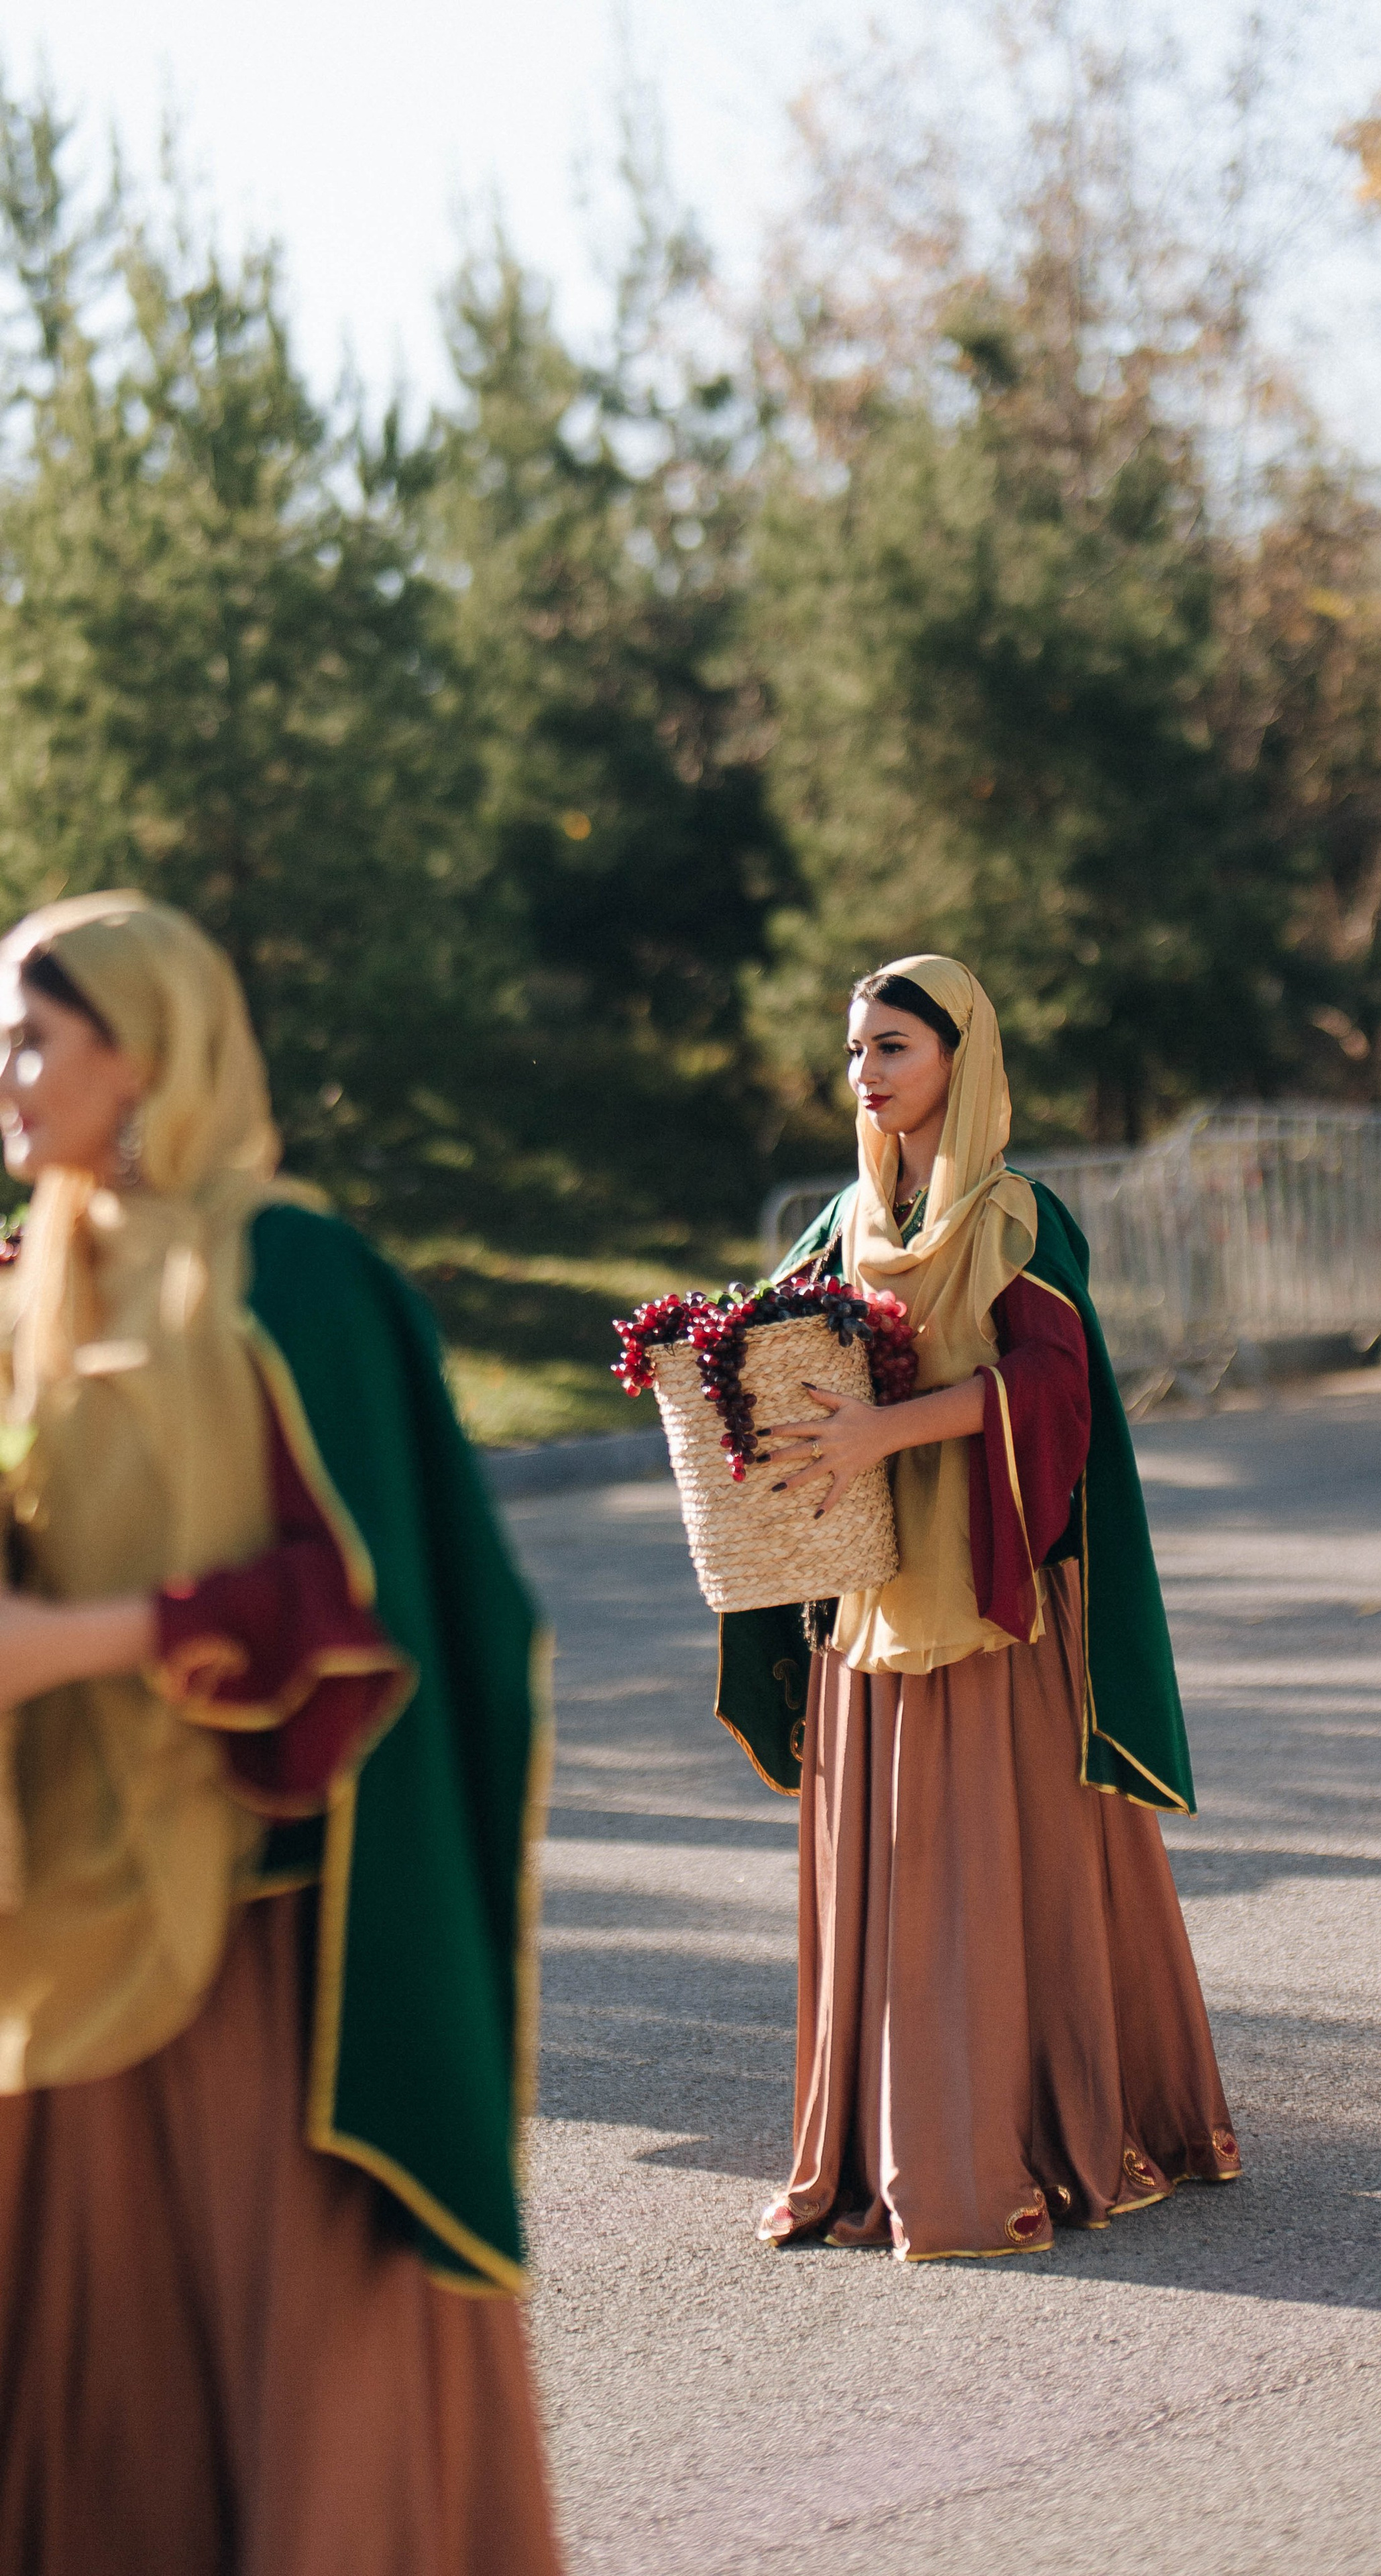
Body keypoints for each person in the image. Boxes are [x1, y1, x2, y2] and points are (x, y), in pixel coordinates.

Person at [0, 893, 562, 2574]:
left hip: (270, 1952)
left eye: (38, 1039)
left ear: (149, 1049)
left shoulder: (296, 1275)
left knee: (289, 2369)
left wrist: (66, 1646)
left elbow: (359, 1609)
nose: (7, 1077)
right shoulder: (34, 1285)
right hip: (68, 1926)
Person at [714, 955, 1239, 2263]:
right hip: (866, 1601)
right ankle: (876, 2157)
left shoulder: (1014, 1217)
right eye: (853, 1052)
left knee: (990, 1875)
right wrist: (697, 1369)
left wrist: (887, 1430)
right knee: (892, 1882)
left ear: (962, 1056)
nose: (866, 1074)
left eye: (891, 1046)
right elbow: (753, 1347)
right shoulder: (842, 1222)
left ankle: (1012, 2140)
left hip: (989, 1604)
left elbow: (1055, 1395)